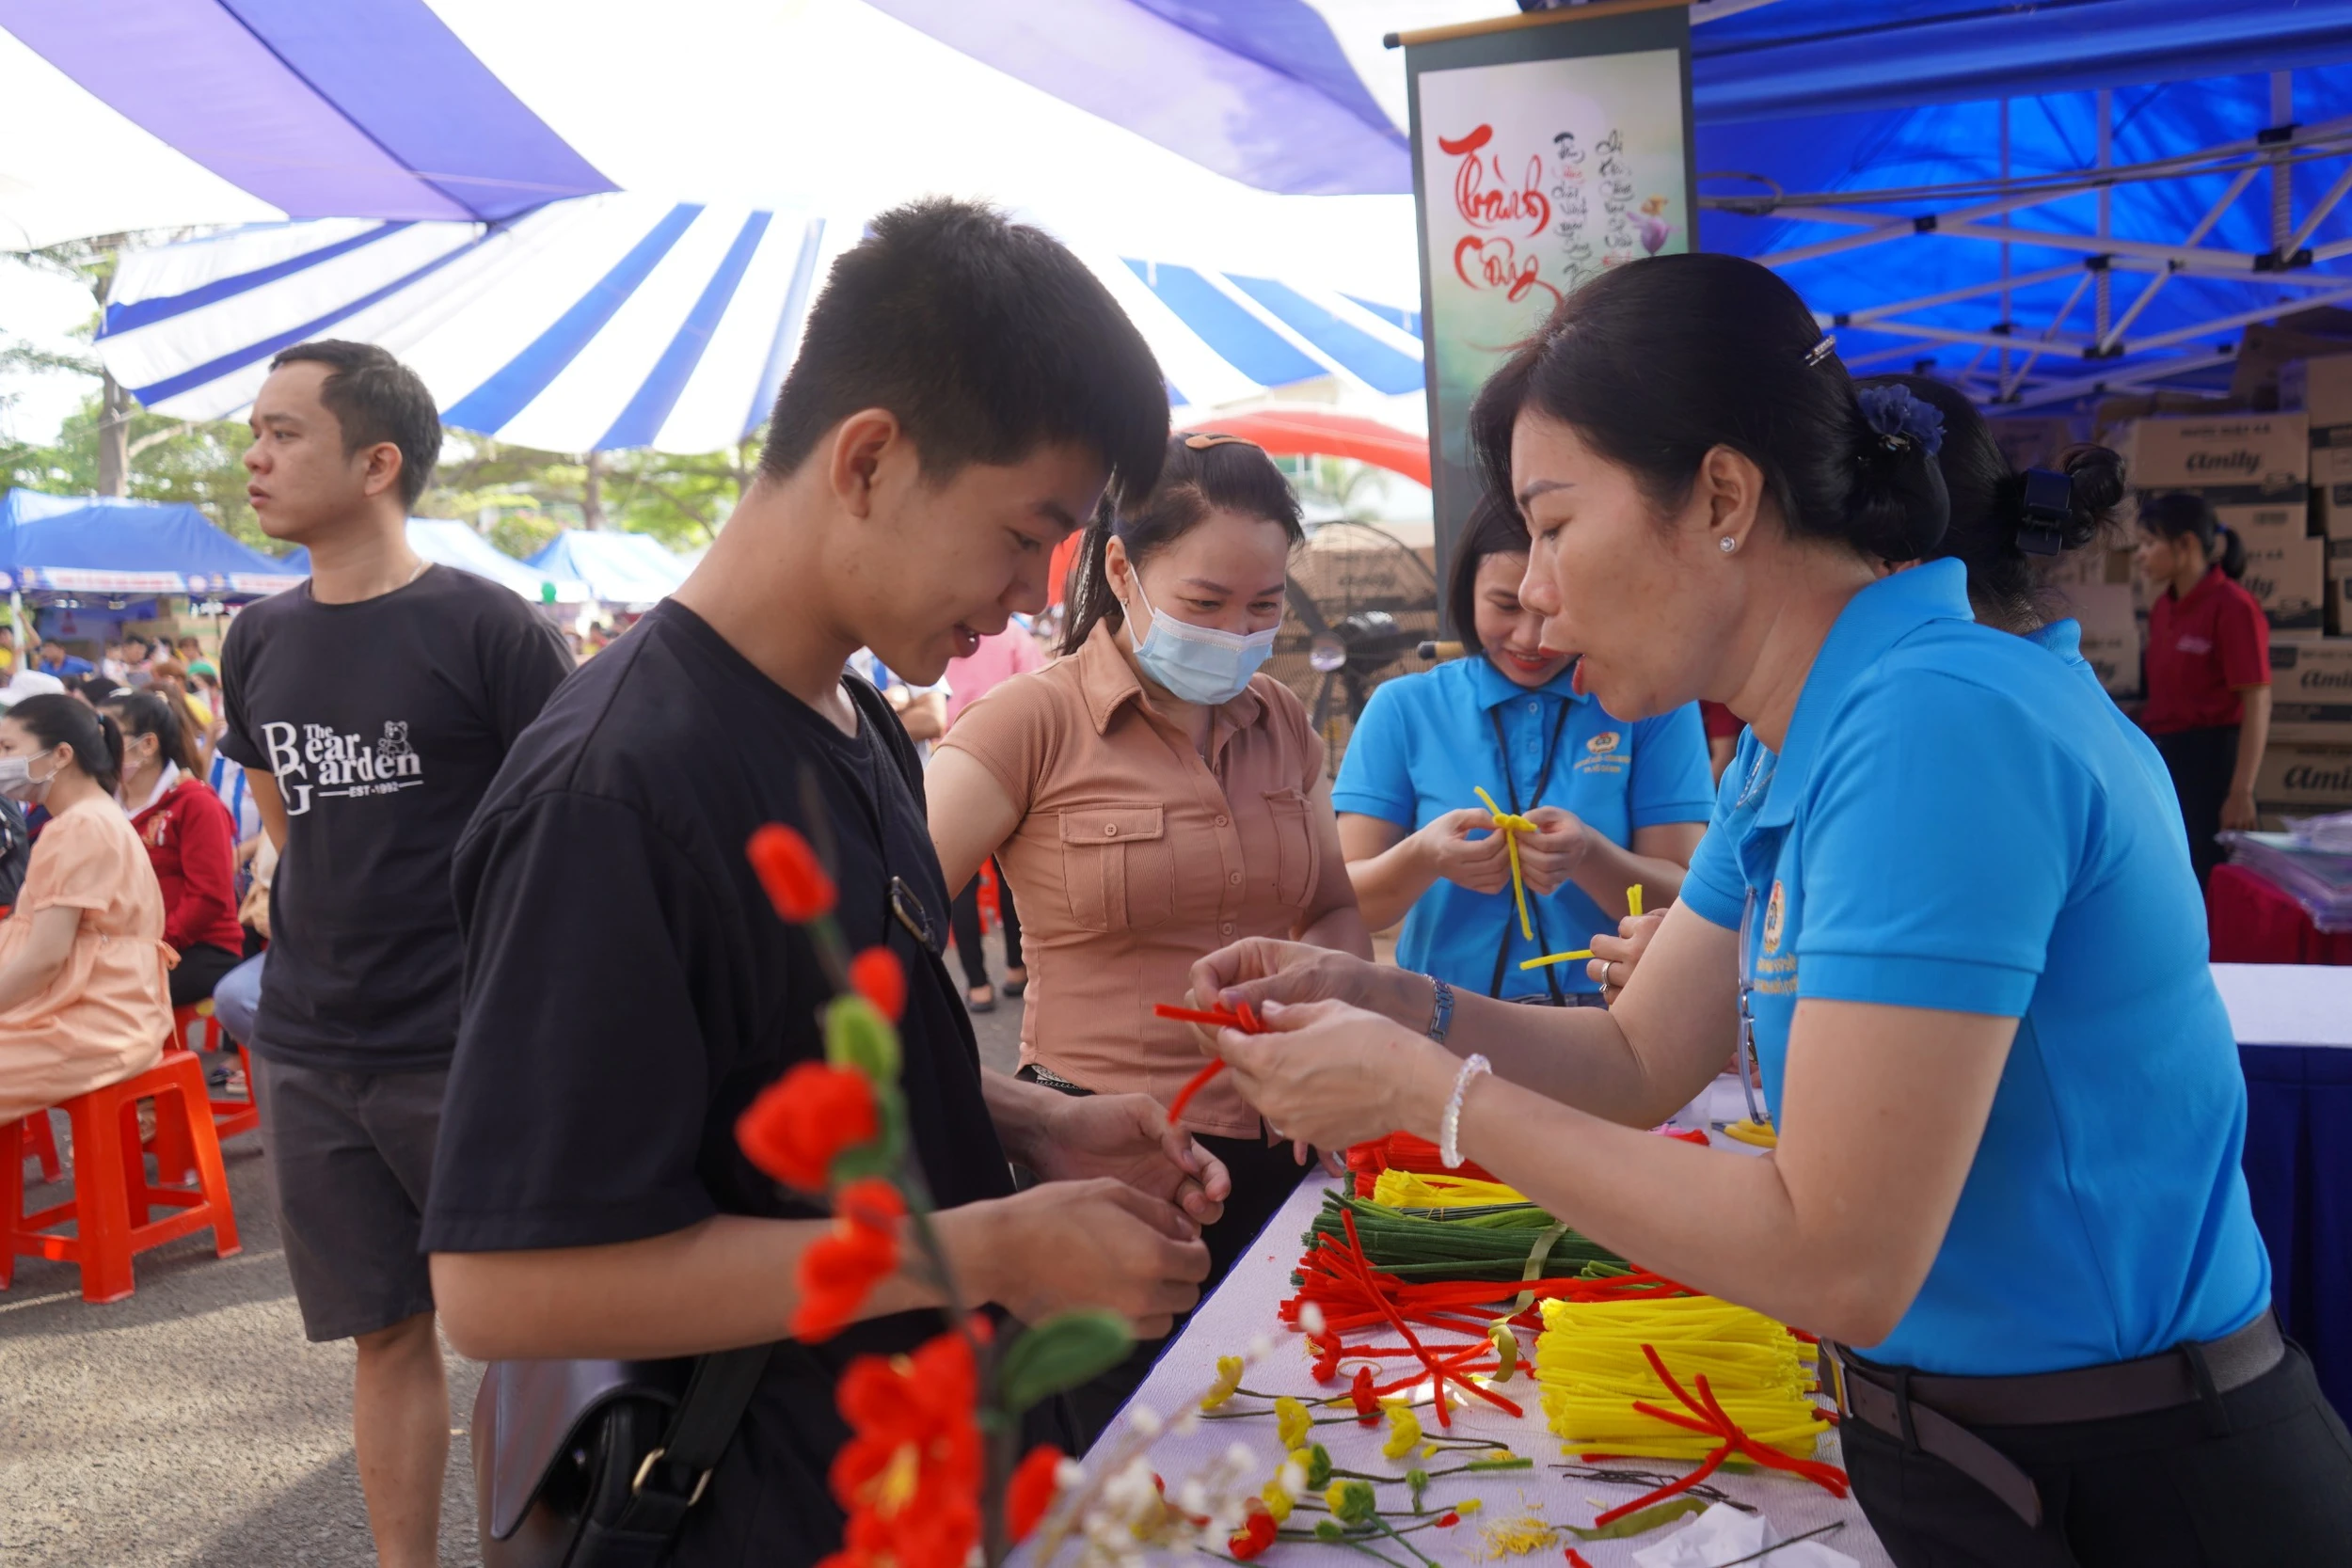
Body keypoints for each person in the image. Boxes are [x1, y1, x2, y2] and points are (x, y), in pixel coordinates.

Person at [1191, 252, 2352, 1566]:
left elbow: (1838, 1253)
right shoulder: (1797, 740)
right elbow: (1636, 1058)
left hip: (2135, 1485)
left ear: (1724, 496)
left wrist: (1426, 1090)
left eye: (1558, 523)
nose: (1540, 590)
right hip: (1986, 1452)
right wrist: (1403, 1000)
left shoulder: (1934, 720)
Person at [424, 199, 1224, 1568]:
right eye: (1030, 527)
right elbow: (506, 1284)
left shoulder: (854, 725)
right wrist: (990, 1249)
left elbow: (765, 1063)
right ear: (868, 458)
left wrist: (1029, 1121)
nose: (1034, 592)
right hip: (749, 1505)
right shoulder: (617, 788)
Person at [926, 432, 1370, 1433]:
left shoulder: (1283, 723)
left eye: (1263, 609)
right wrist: (995, 1107)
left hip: (1286, 1153)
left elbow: (1331, 903)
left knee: (1276, 1450)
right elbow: (879, 929)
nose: (1237, 633)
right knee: (1122, 1467)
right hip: (1103, 1167)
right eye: (1206, 604)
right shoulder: (1024, 725)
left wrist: (1332, 1032)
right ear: (1122, 568)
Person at [218, 339, 574, 1568]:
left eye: (283, 432)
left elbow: (570, 837)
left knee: (531, 1332)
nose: (254, 457)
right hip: (312, 1045)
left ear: (378, 462)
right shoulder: (256, 637)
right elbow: (286, 825)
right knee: (385, 1332)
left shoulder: (493, 630)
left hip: (470, 1045)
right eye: (251, 431)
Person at [1587, 375, 2165, 1004]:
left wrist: (1738, 979)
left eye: (1792, 543)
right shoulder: (1795, 731)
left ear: (1890, 556)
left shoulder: (1961, 739)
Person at [1332, 492, 1710, 1005]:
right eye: (1505, 606)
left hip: (1608, 1026)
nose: (1530, 638)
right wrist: (1423, 858)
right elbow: (1344, 900)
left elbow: (1693, 905)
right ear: (1466, 591)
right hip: (1440, 1019)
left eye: (1554, 606)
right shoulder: (1404, 708)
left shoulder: (1652, 707)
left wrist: (1590, 856)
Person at [0, 696, 173, 1124]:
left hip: (93, 1025)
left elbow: (44, 960)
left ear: (61, 754)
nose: (1, 759)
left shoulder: (79, 827)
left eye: (6, 749)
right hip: (103, 1015)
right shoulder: (92, 817)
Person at [2137, 491, 2272, 888]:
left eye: (2149, 543)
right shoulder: (2164, 608)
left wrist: (2240, 791)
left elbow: (2258, 700)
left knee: (2214, 882)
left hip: (2215, 766)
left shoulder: (2234, 607)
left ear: (2187, 544)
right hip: (2170, 761)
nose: (2141, 555)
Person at [103, 689, 245, 1008]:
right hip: (130, 944)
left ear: (148, 745)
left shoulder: (194, 803)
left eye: (107, 736)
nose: (96, 747)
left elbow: (208, 896)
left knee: (104, 999)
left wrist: (156, 944)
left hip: (200, 948)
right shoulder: (105, 803)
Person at [941, 622, 1045, 1009]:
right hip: (1011, 760)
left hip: (948, 757)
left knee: (961, 881)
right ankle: (1017, 969)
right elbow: (1042, 692)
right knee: (1011, 874)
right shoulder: (1013, 634)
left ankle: (978, 985)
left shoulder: (939, 626)